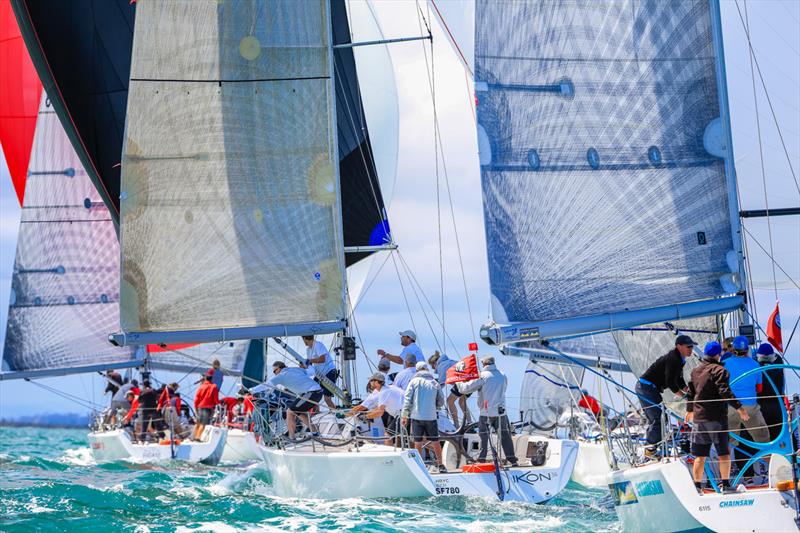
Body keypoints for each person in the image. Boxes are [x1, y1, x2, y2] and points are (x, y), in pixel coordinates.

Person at [686, 341, 750, 493]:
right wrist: (740, 408)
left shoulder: (695, 371)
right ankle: (726, 485)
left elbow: (691, 393)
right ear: (717, 355)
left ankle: (697, 487)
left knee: (700, 456)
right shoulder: (720, 370)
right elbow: (725, 392)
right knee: (723, 454)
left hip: (699, 419)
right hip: (717, 420)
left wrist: (689, 410)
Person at [636, 334, 694, 457]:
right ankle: (650, 449)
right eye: (688, 347)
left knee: (662, 418)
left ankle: (653, 446)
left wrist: (686, 390)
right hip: (646, 387)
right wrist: (681, 395)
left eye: (692, 347)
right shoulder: (674, 358)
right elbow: (670, 381)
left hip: (651, 388)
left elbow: (679, 379)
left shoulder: (680, 359)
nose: (691, 349)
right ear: (679, 346)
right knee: (659, 418)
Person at [457, 356, 518, 466]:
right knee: (505, 436)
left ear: (484, 364)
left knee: (483, 437)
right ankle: (512, 460)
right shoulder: (503, 375)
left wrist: (458, 381)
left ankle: (481, 460)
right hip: (501, 412)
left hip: (486, 412)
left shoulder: (482, 376)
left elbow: (465, 389)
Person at [255, 361, 324, 439]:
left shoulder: (281, 375)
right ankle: (315, 432)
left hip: (311, 393)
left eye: (274, 371)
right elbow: (312, 372)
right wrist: (309, 365)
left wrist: (250, 390)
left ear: (279, 369)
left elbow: (266, 385)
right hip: (318, 393)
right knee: (298, 412)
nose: (274, 373)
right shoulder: (296, 369)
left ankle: (292, 438)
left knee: (290, 412)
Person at [401, 362, 446, 473]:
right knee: (435, 441)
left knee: (418, 441)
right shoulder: (434, 383)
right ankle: (440, 465)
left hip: (417, 416)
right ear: (426, 370)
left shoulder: (414, 382)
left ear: (417, 370)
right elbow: (441, 400)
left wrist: (405, 415)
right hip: (431, 417)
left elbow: (407, 399)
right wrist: (435, 406)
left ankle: (419, 466)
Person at [724, 335, 769, 445]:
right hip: (750, 408)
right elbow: (759, 389)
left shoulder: (724, 363)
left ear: (733, 350)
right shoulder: (755, 364)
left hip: (731, 407)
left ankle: (730, 462)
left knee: (728, 443)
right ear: (747, 349)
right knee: (764, 441)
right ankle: (769, 460)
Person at [349, 373, 405, 445]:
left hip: (402, 414)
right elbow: (379, 408)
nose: (370, 382)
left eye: (371, 381)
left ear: (376, 382)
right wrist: (368, 413)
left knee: (388, 435)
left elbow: (380, 412)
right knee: (400, 436)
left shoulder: (383, 392)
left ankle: (388, 455)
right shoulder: (391, 388)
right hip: (407, 413)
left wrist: (365, 417)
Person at [756, 343, 785, 441]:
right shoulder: (778, 365)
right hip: (777, 405)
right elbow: (777, 358)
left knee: (762, 436)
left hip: (761, 405)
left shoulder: (756, 367)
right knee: (778, 433)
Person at [302, 335, 339, 410]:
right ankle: (316, 412)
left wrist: (310, 361)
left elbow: (323, 359)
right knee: (313, 393)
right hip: (319, 374)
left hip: (329, 372)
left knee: (327, 398)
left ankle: (335, 412)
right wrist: (303, 366)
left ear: (305, 338)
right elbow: (310, 364)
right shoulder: (308, 350)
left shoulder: (318, 345)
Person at [193, 372, 220, 441]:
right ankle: (197, 438)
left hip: (199, 407)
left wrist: (196, 407)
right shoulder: (213, 386)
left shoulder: (201, 386)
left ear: (205, 378)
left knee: (198, 423)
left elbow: (196, 398)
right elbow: (215, 398)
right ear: (212, 379)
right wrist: (218, 403)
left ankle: (194, 437)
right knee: (203, 424)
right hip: (208, 408)